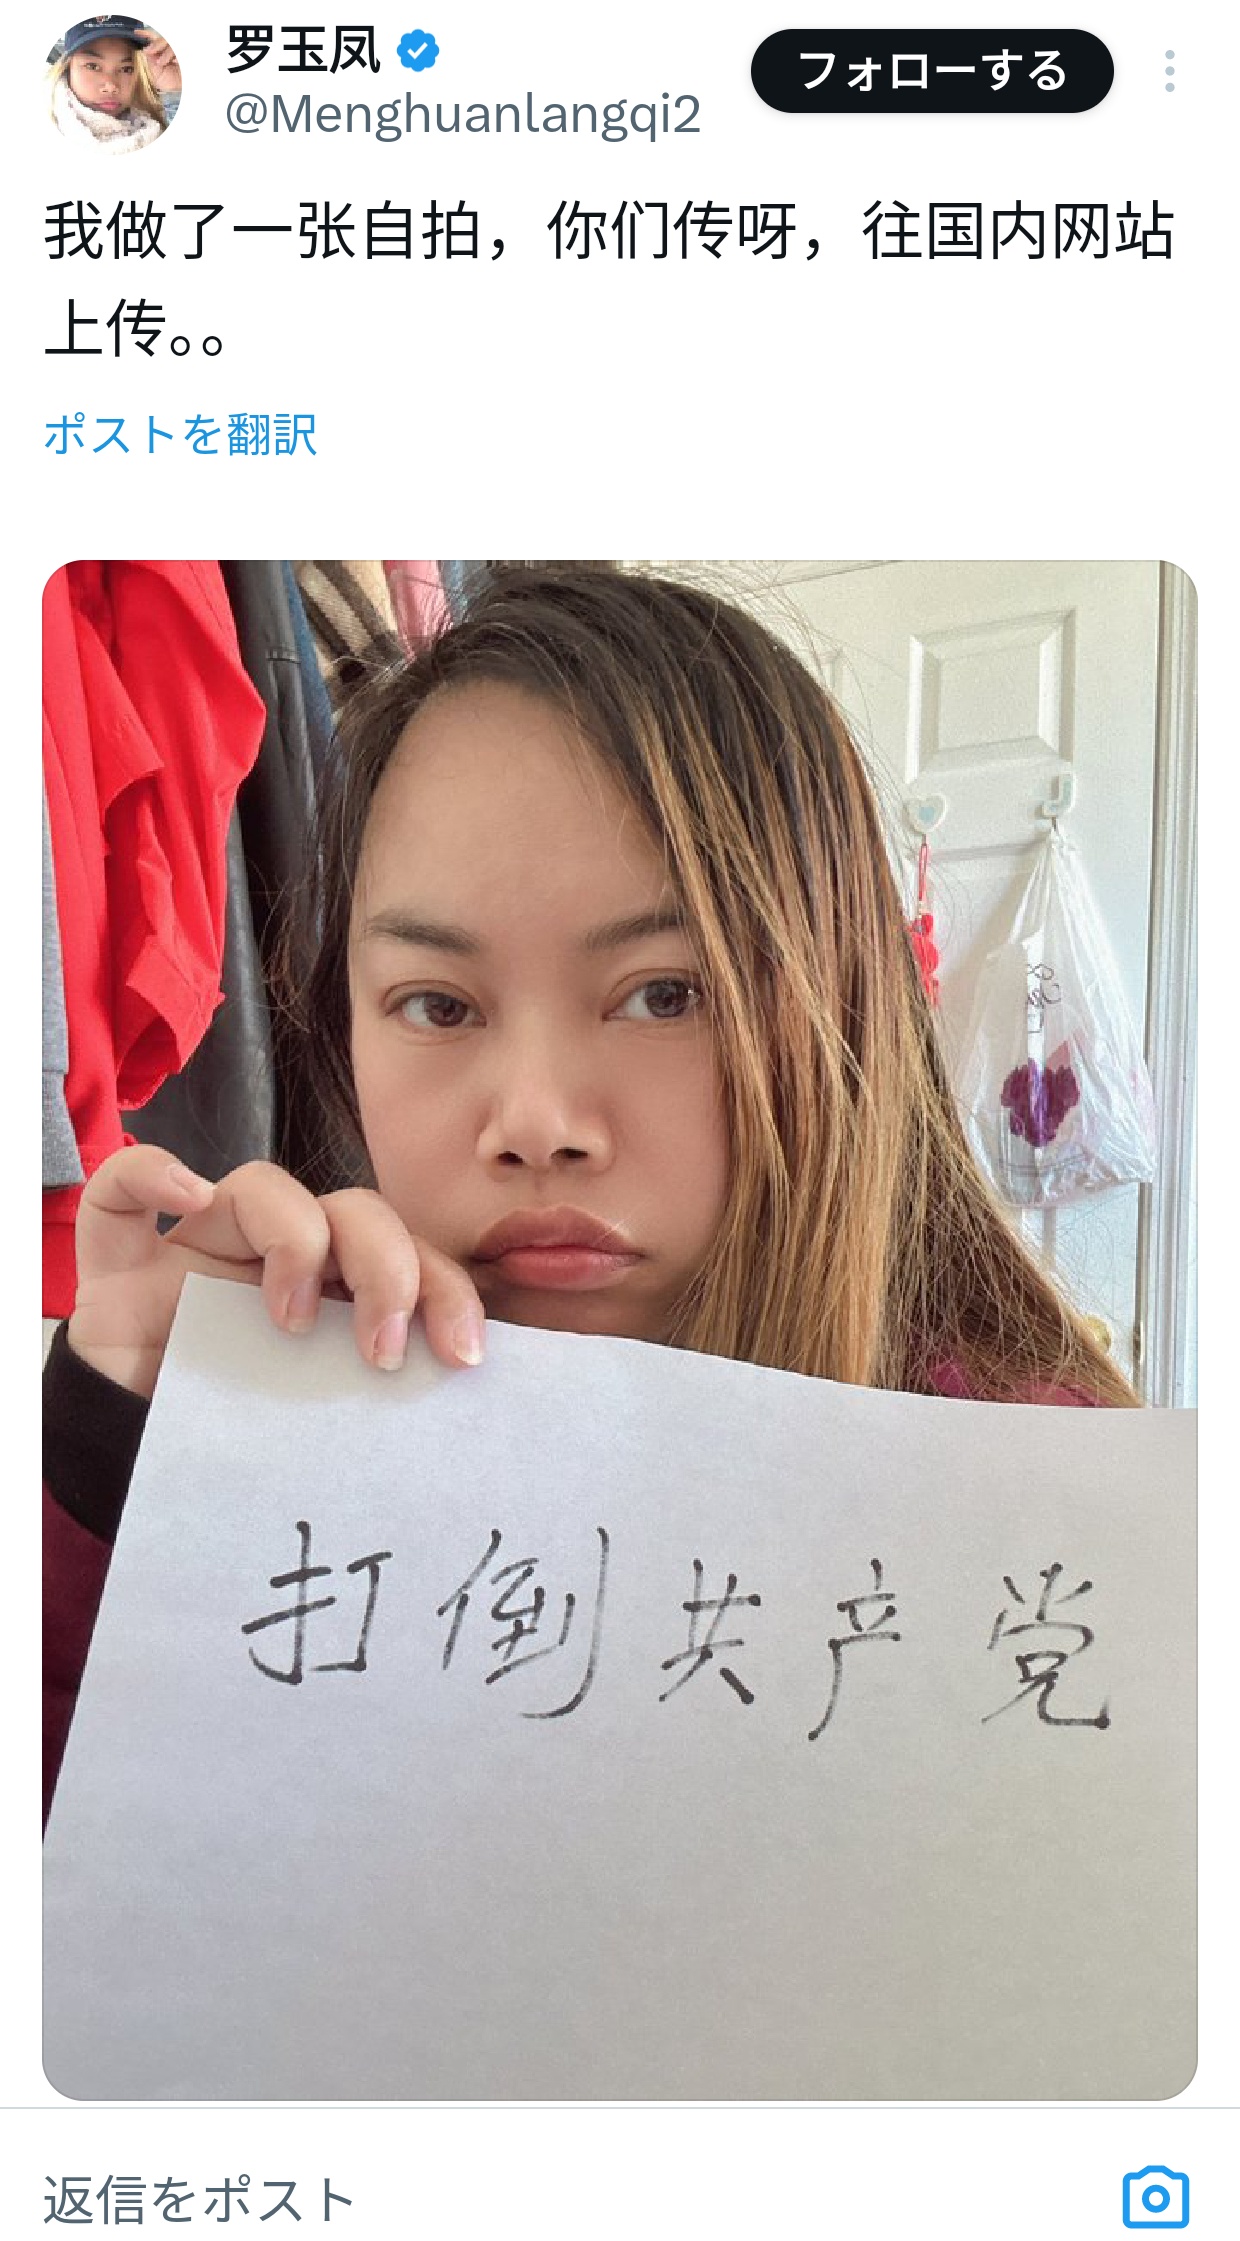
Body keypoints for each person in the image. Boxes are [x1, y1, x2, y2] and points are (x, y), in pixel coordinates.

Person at [43, 565, 1134, 1811]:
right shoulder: (265, 1418)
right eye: (436, 1006)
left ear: (842, 1006)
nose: (534, 1124)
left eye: (665, 994)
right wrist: (111, 1459)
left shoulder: (1052, 1505)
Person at [48, 17, 170, 149]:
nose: (111, 87)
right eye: (92, 66)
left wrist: (176, 87)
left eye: (126, 69)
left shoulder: (158, 126)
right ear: (67, 68)